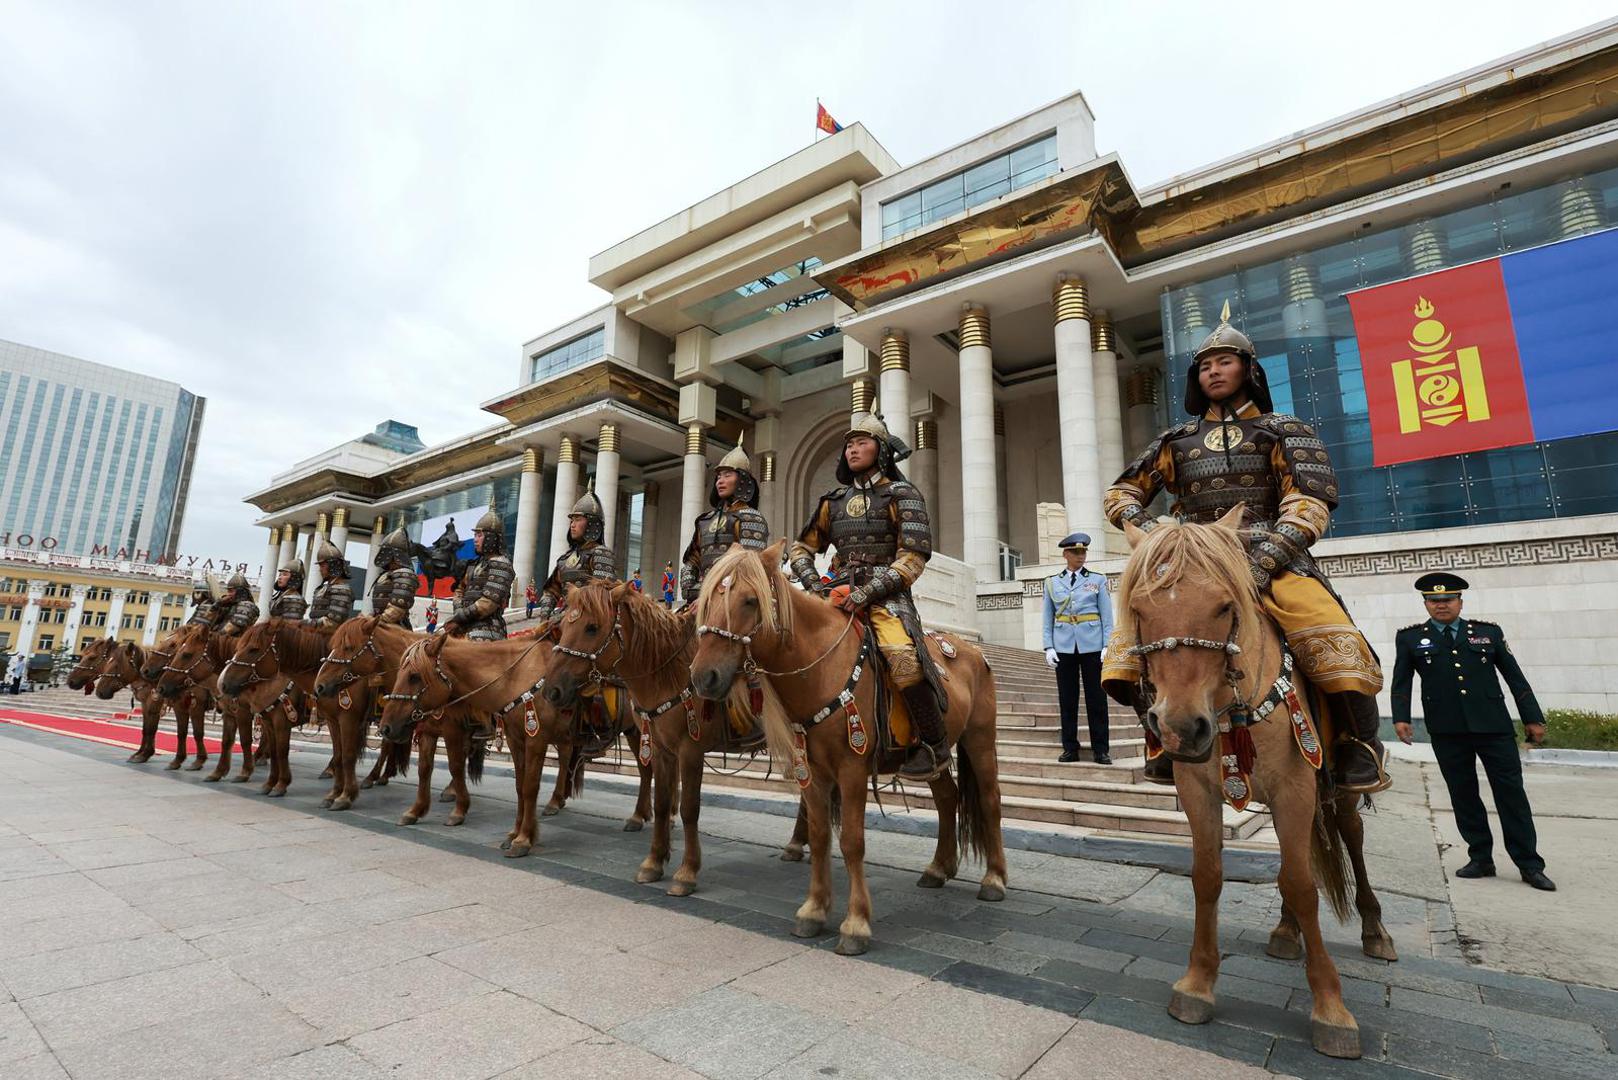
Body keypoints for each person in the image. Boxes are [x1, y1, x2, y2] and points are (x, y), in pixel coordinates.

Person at [1101, 304, 1389, 794]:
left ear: (1248, 369)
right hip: (1192, 565)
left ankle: (1358, 746)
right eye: (1205, 365)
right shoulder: (1176, 440)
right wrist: (1152, 534)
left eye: (1225, 361)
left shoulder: (1284, 429)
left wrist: (1264, 560)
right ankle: (1166, 738)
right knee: (1124, 653)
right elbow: (1120, 493)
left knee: (1332, 635)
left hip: (1273, 557)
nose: (1214, 371)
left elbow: (1309, 500)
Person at [788, 412, 947, 781]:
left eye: (862, 442)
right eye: (849, 444)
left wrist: (868, 592)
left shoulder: (903, 494)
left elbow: (913, 557)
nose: (853, 449)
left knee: (902, 657)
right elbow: (800, 549)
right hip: (836, 595)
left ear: (882, 450)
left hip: (886, 598)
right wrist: (814, 584)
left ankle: (933, 743)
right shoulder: (833, 501)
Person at [1391, 573, 1555, 891]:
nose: (1442, 605)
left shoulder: (1487, 633)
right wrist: (1401, 718)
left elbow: (1515, 678)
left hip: (1494, 728)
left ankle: (1530, 864)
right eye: (1434, 601)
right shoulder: (1410, 639)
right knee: (1463, 795)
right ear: (1425, 604)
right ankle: (1480, 858)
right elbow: (1402, 682)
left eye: (1448, 600)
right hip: (1447, 729)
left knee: (1511, 795)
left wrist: (1532, 718)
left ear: (1460, 602)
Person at [441, 507, 515, 742]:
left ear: (492, 538)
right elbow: (459, 589)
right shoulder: (473, 565)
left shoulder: (501, 564)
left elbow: (488, 603)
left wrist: (459, 618)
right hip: (463, 624)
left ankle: (485, 718)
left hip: (487, 627)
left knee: (476, 662)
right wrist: (457, 613)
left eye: (480, 535)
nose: (476, 539)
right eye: (476, 534)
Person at [1042, 532, 1114, 764]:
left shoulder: (1097, 580)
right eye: (1076, 552)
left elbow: (1107, 616)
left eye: (1083, 552)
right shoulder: (1052, 582)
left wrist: (1107, 644)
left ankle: (1101, 749)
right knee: (1067, 699)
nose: (1081, 556)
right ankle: (1070, 747)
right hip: (1064, 647)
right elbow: (1047, 617)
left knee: (1097, 699)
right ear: (1066, 554)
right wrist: (1048, 646)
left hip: (1092, 646)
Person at [680, 436, 770, 605]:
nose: (720, 481)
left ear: (742, 479)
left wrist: (712, 594)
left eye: (727, 475)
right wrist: (689, 589)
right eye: (719, 476)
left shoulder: (752, 518)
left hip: (734, 600)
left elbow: (748, 568)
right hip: (699, 597)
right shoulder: (705, 520)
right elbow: (692, 560)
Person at [534, 491, 616, 625]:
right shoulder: (565, 558)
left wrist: (566, 616)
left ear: (592, 524)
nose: (572, 525)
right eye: (572, 520)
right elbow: (551, 591)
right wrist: (544, 619)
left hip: (589, 624)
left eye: (578, 520)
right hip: (563, 620)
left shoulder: (601, 554)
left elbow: (601, 594)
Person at [370, 527, 419, 628]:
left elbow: (397, 609)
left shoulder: (405, 574)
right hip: (379, 625)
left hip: (395, 629)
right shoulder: (386, 574)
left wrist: (378, 622)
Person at [306, 539, 355, 629]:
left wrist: (307, 624)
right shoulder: (324, 588)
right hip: (315, 634)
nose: (320, 569)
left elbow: (333, 621)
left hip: (329, 637)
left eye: (322, 566)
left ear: (333, 566)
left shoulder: (341, 589)